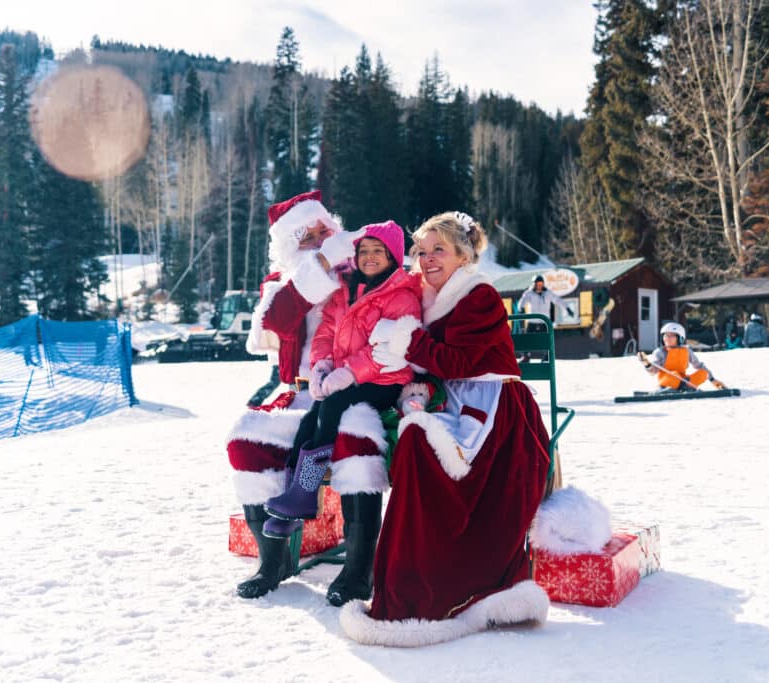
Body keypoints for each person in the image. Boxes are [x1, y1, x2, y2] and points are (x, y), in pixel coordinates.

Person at [340, 211, 552, 646]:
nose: (428, 258)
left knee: (420, 443)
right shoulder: (420, 293)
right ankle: (383, 574)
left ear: (463, 255)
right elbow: (430, 366)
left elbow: (458, 362)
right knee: (388, 433)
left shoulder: (480, 296)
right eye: (422, 250)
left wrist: (407, 341)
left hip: (496, 409)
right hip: (446, 398)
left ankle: (432, 591)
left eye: (440, 249)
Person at [225, 190, 391, 601]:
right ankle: (273, 562)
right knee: (245, 439)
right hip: (298, 395)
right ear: (289, 245)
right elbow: (275, 323)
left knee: (357, 442)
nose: (321, 239)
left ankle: (358, 571)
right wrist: (318, 267)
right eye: (308, 235)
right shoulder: (281, 286)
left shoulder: (361, 274)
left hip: (355, 391)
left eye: (325, 231)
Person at [263, 220, 422, 605]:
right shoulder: (344, 292)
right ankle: (298, 492)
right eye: (363, 251)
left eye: (377, 252)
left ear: (393, 257)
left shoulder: (400, 294)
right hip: (344, 379)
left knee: (330, 404)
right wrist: (321, 365)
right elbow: (325, 333)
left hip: (384, 379)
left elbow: (389, 348)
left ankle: (308, 498)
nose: (369, 258)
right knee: (311, 417)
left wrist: (349, 373)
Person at [638, 322, 725, 391]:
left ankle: (686, 387)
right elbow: (653, 372)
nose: (667, 338)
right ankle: (666, 389)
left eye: (671, 335)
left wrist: (713, 380)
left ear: (680, 338)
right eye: (665, 335)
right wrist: (646, 364)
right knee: (674, 374)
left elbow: (699, 366)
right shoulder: (660, 352)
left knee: (703, 373)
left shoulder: (687, 351)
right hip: (668, 380)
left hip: (684, 381)